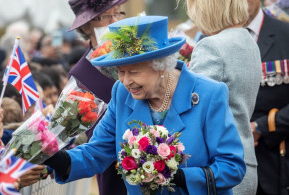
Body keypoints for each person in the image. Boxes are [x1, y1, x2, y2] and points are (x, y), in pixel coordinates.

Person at [44, 16, 246, 194]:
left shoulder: (208, 94)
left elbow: (232, 167)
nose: (125, 81)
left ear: (160, 66)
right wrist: (59, 159)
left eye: (133, 72)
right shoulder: (122, 94)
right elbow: (97, 151)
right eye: (120, 72)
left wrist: (181, 177)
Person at [185, 0, 262, 194]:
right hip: (244, 162)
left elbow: (192, 107)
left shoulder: (212, 46)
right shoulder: (248, 40)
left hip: (218, 169)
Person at [66, 0, 128, 194]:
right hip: (114, 164)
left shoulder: (133, 57)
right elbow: (91, 131)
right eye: (107, 16)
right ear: (86, 25)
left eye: (118, 14)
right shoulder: (80, 74)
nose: (115, 21)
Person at [245, 0, 289, 194]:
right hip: (234, 170)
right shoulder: (210, 39)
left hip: (279, 161)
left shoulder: (285, 34)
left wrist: (262, 127)